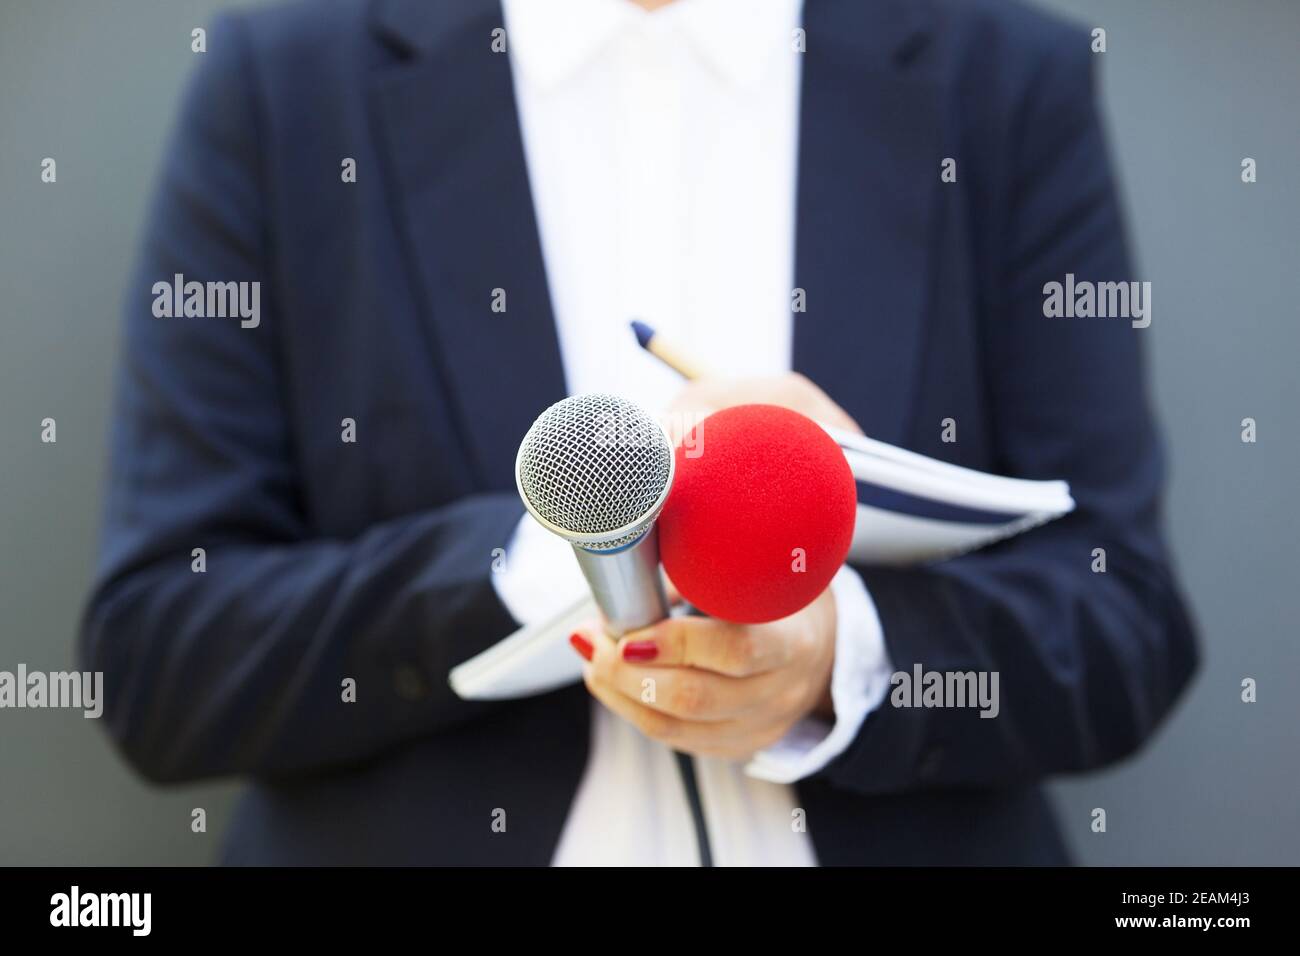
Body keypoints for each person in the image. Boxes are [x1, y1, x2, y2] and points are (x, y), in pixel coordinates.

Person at [81, 0, 1198, 865]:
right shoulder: (283, 87)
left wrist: (838, 656)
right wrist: (563, 539)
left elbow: (1123, 622)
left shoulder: (1001, 78)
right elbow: (161, 660)